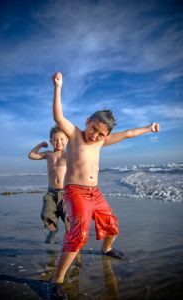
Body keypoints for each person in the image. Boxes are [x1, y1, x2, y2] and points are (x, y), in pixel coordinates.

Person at [50, 71, 160, 298]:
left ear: (106, 135)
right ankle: (57, 280)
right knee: (79, 234)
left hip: (95, 193)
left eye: (101, 134)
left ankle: (107, 249)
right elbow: (59, 117)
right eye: (93, 129)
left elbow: (128, 134)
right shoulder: (74, 135)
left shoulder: (101, 142)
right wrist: (58, 87)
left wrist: (149, 128)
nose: (95, 135)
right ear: (86, 122)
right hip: (75, 191)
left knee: (112, 224)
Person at [28, 126, 70, 244]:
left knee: (68, 220)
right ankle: (53, 231)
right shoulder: (48, 154)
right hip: (51, 193)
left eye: (62, 139)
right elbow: (31, 155)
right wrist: (41, 145)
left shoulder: (69, 155)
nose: (59, 142)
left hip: (66, 193)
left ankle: (72, 244)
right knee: (46, 215)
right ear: (51, 141)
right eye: (55, 139)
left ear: (67, 141)